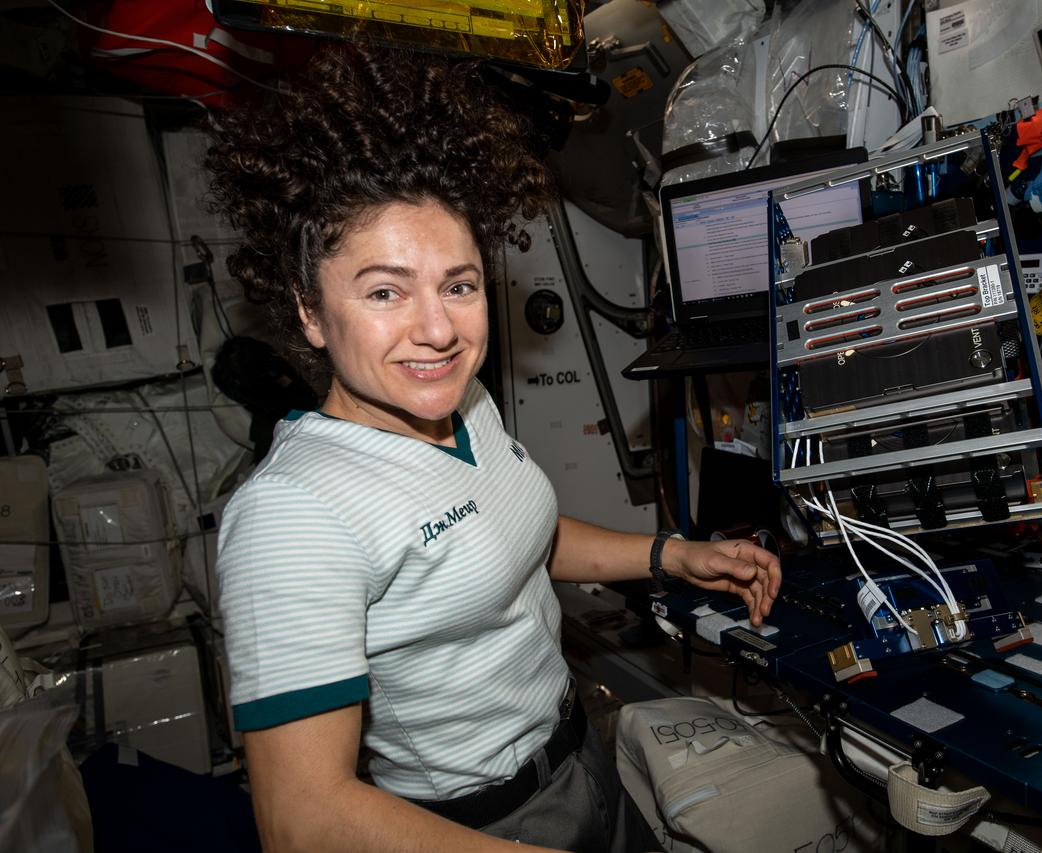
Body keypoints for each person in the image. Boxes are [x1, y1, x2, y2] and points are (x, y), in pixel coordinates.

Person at [205, 44, 782, 853]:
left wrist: (674, 555)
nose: (438, 328)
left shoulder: (464, 402)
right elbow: (304, 817)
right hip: (477, 826)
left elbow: (521, 540)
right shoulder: (292, 514)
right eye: (384, 290)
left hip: (580, 753)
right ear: (308, 309)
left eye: (460, 283)